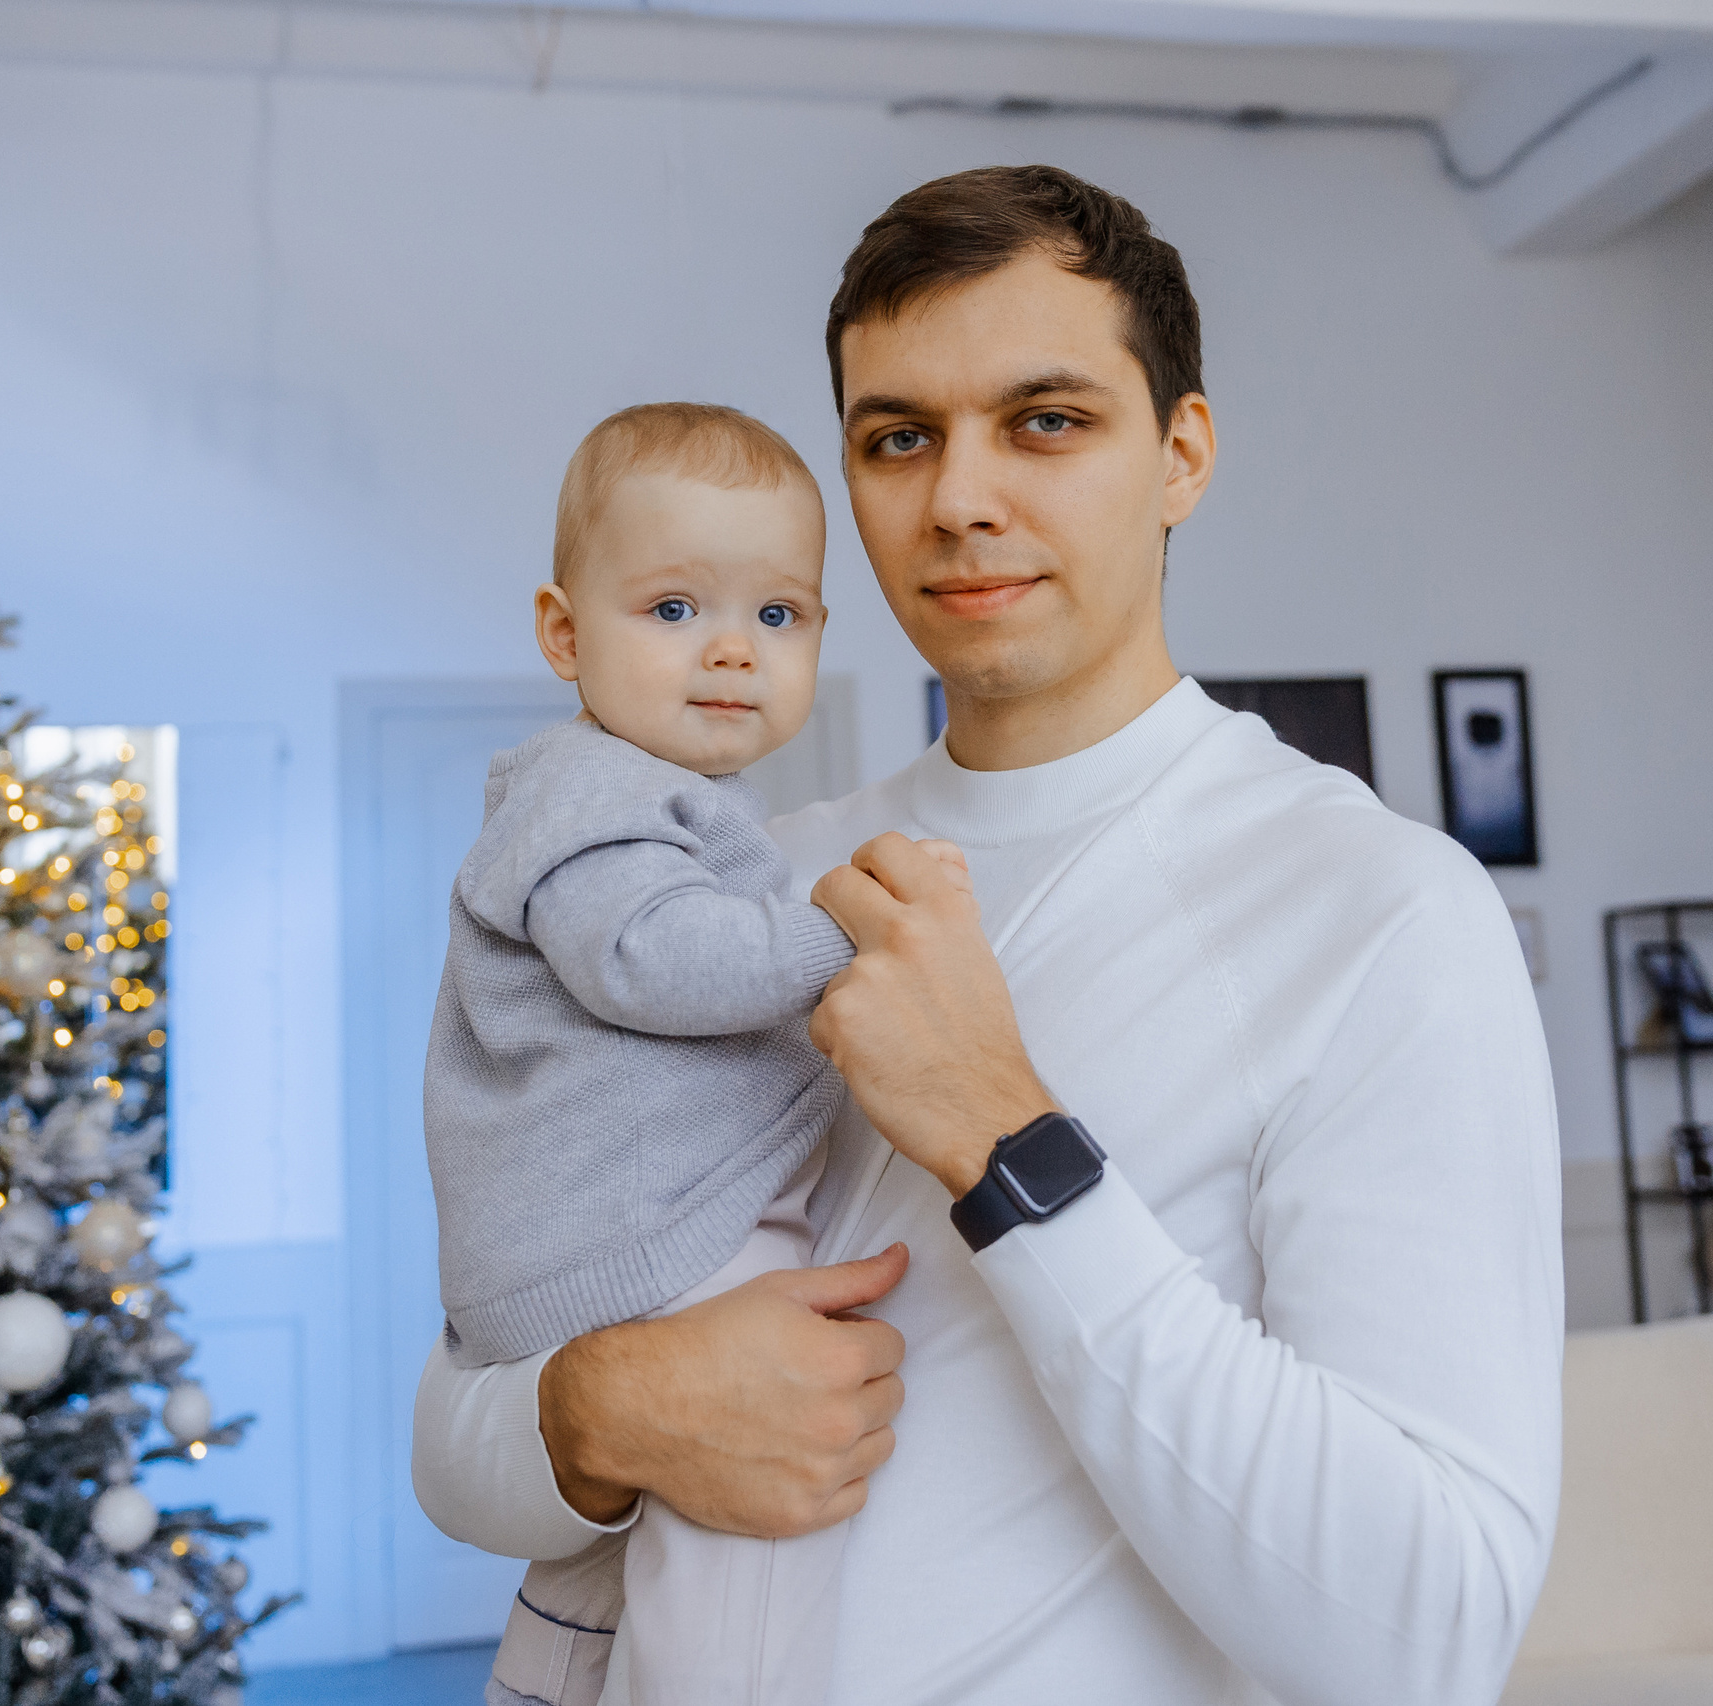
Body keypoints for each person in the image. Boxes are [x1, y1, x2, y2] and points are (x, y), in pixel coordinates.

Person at [414, 165, 1564, 1705]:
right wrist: (604, 1408)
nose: (958, 498)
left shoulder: (1379, 911)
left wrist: (1009, 1141)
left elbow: (1427, 1633)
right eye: (899, 436)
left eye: (1046, 420)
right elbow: (452, 1432)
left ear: (1182, 453)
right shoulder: (744, 884)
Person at [424, 402, 963, 1706]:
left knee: (638, 1538)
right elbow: (655, 959)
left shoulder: (678, 805)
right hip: (640, 1232)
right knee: (736, 1541)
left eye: (776, 616)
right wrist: (840, 927)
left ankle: (551, 1677)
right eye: (673, 610)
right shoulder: (590, 796)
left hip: (612, 1234)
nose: (730, 649)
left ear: (821, 634)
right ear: (564, 632)